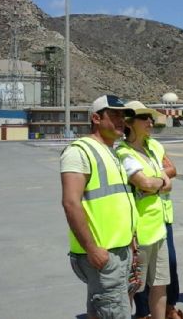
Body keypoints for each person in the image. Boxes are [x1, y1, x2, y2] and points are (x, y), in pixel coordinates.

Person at [60, 94, 137, 319]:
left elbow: (118, 202)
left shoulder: (112, 152)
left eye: (123, 115)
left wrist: (130, 237)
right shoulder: (80, 151)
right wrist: (92, 249)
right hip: (102, 253)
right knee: (116, 312)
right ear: (96, 118)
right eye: (113, 115)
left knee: (98, 310)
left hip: (119, 249)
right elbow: (70, 203)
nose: (121, 120)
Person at [116, 101, 183, 319]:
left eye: (151, 118)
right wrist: (156, 183)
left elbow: (167, 178)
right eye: (144, 118)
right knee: (133, 286)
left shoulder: (151, 148)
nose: (150, 122)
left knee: (160, 283)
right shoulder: (123, 152)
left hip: (159, 227)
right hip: (139, 232)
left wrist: (154, 183)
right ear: (129, 122)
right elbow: (145, 182)